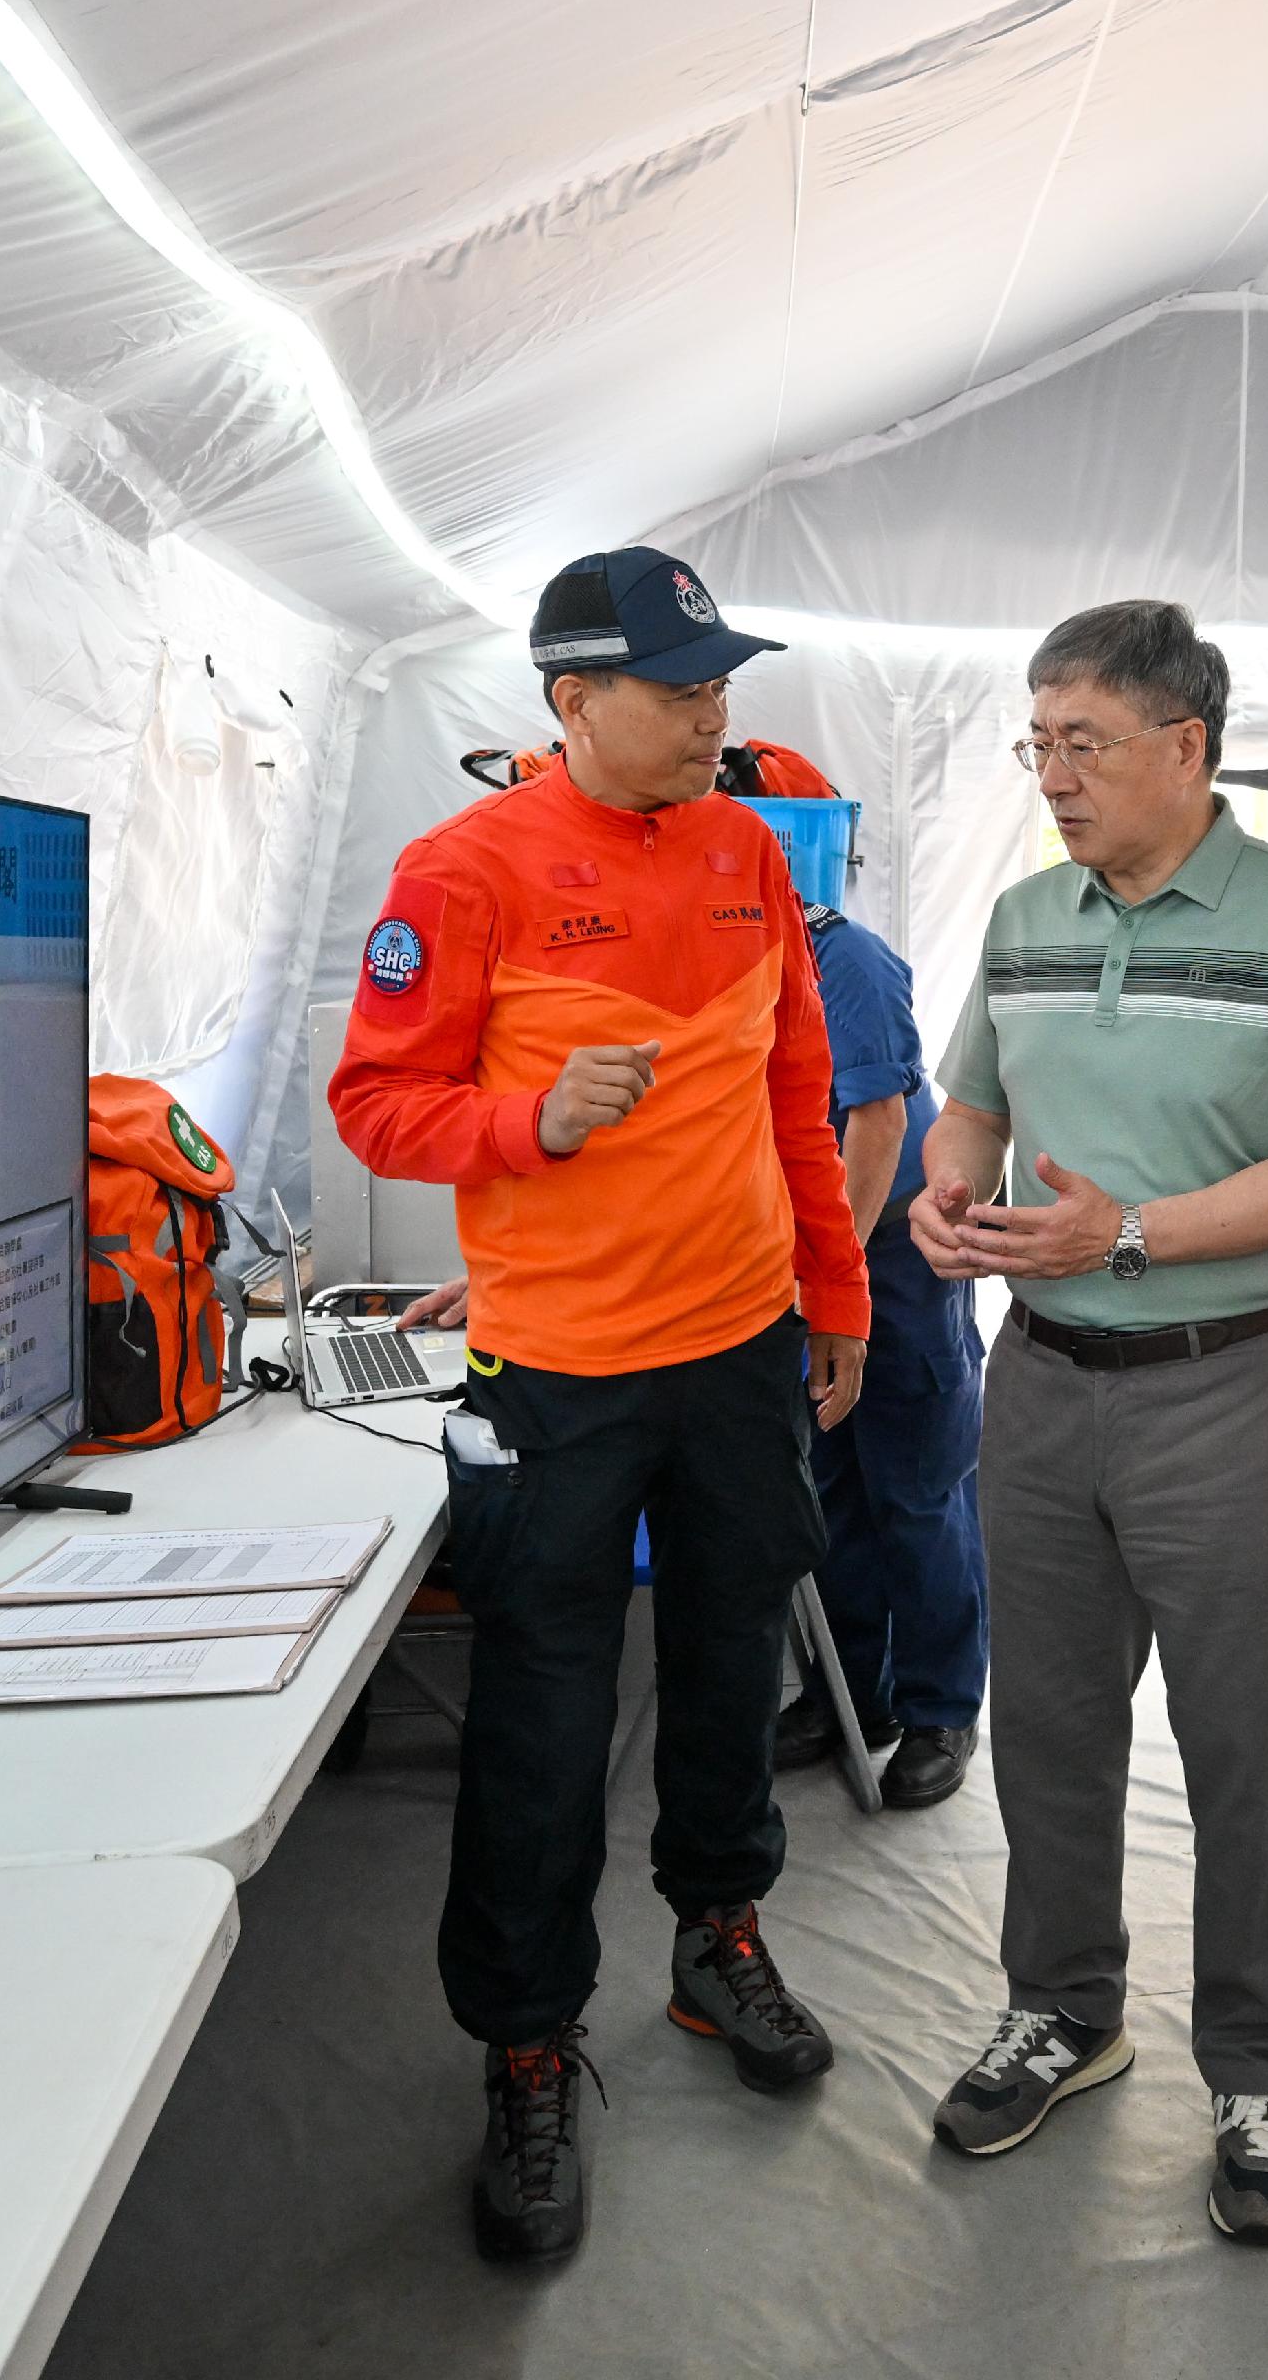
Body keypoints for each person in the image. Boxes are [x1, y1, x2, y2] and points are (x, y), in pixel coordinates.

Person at [328, 546, 873, 2266]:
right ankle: (529, 2044)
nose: (719, 712)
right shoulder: (464, 872)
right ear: (574, 701)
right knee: (544, 1723)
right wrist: (529, 1125)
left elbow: (802, 1093)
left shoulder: (742, 856)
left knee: (727, 1666)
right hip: (553, 1374)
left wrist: (835, 1297)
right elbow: (375, 1103)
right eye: (683, 685)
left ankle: (721, 1941)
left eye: (724, 681)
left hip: (735, 1357)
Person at [909, 599, 1268, 2248]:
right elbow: (974, 1100)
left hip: (1236, 1383)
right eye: (1039, 744)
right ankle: (1065, 2010)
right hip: (1041, 1380)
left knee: (1239, 1739)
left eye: (1086, 744)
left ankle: (1257, 2074)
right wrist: (948, 1190)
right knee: (1045, 1724)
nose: (1054, 775)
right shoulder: (1028, 917)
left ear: (1187, 749)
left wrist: (1122, 1235)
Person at [738, 749, 991, 1812]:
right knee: (828, 1491)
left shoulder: (850, 960)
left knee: (917, 1492)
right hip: (806, 1259)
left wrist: (826, 1273)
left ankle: (939, 1712)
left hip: (886, 1255)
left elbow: (877, 1125)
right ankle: (856, 1691)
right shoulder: (733, 952)